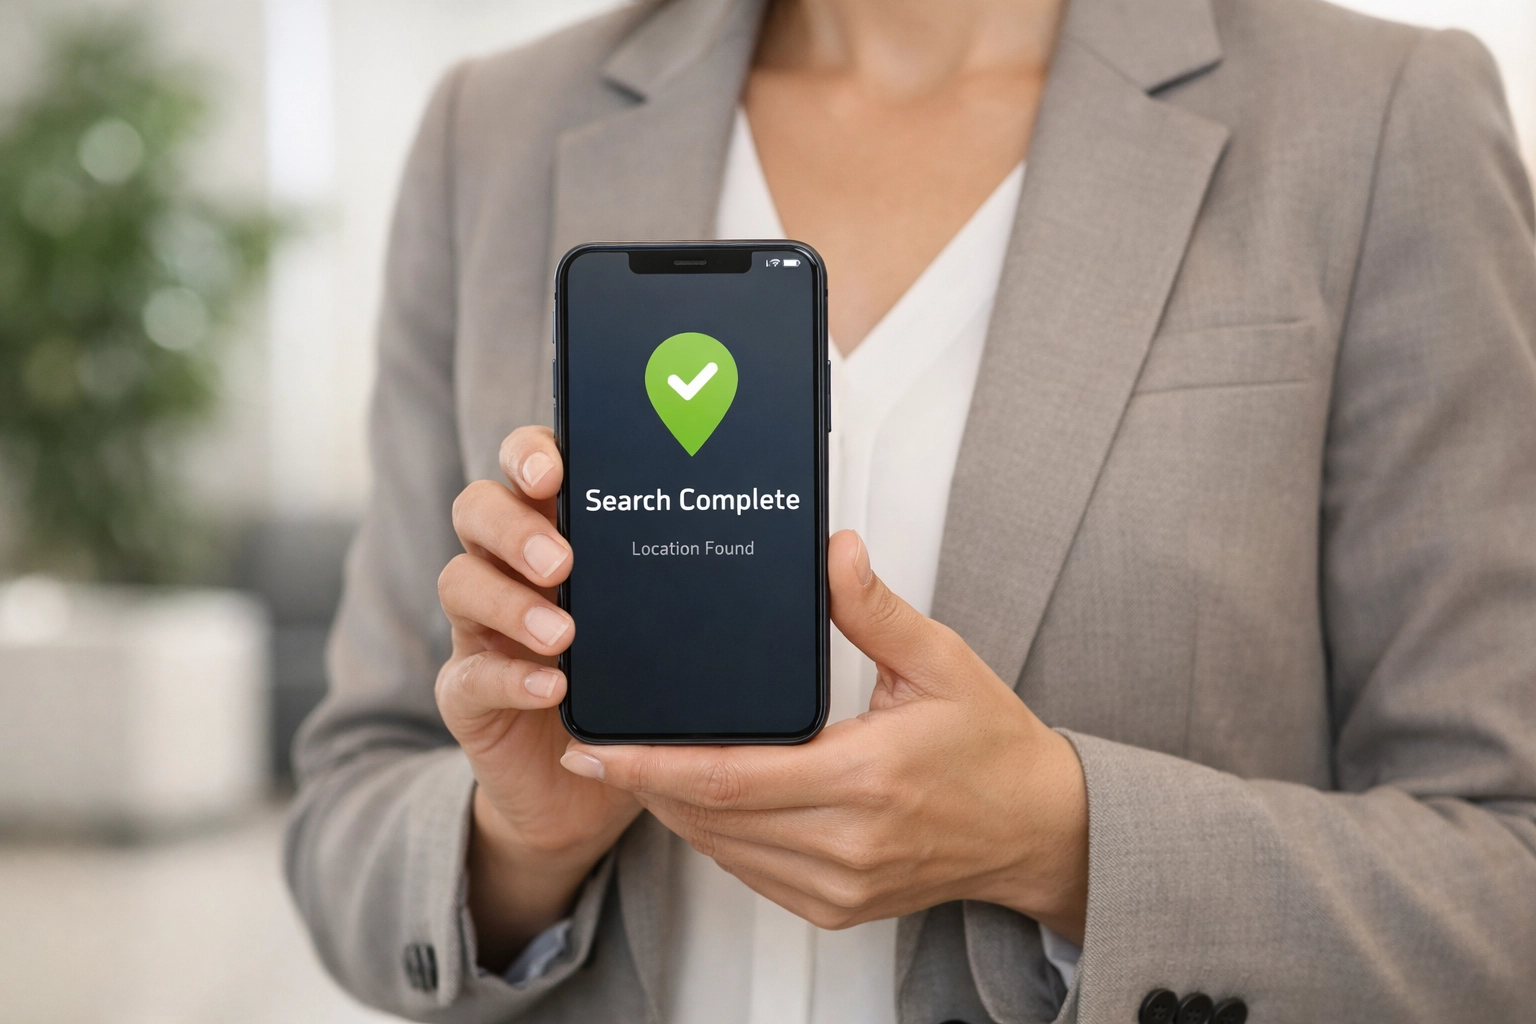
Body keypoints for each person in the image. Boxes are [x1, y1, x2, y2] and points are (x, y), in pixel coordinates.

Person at [283, 0, 1536, 1021]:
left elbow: (1508, 872)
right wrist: (518, 844)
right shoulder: (494, 130)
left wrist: (1064, 843)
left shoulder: (1378, 116)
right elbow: (347, 810)